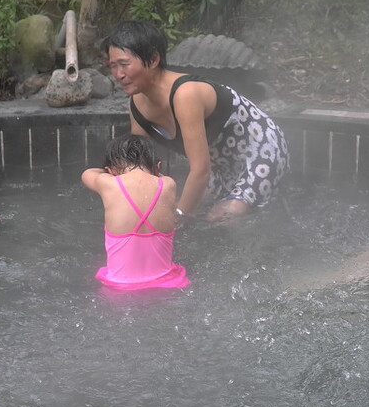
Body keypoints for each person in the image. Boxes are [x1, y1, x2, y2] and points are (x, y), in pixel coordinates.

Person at [105, 20, 289, 223]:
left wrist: (177, 219)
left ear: (154, 59)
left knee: (223, 217)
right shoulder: (137, 105)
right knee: (179, 202)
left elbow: (200, 169)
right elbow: (139, 167)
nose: (118, 75)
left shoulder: (185, 94)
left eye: (124, 64)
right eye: (113, 66)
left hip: (261, 151)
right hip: (219, 164)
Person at [81, 134, 189, 291]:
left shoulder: (109, 184)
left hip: (119, 288)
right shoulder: (168, 185)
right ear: (158, 167)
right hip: (167, 285)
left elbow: (87, 174)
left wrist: (110, 172)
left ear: (110, 171)